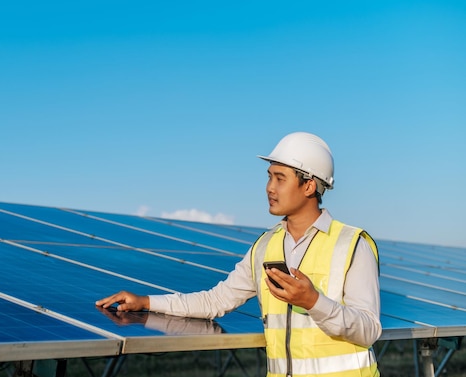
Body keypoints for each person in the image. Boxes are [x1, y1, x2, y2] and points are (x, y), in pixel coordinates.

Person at [96, 132, 381, 377]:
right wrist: (145, 302)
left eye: (280, 178)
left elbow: (368, 330)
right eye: (269, 177)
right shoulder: (264, 246)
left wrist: (312, 301)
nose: (269, 187)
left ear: (308, 185)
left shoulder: (352, 244)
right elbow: (215, 301)